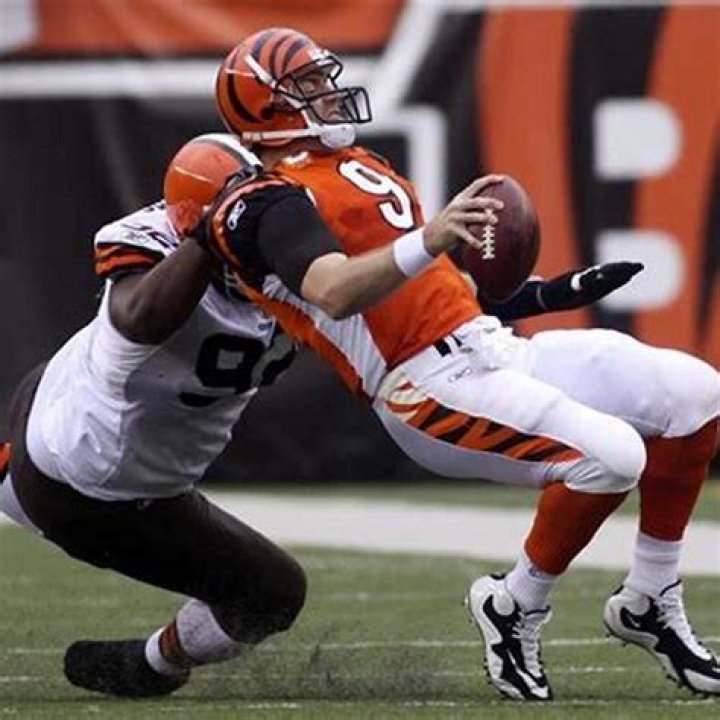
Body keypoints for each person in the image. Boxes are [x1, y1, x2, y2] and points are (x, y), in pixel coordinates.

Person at [208, 27, 720, 701]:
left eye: (323, 78)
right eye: (307, 85)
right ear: (265, 107)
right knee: (613, 457)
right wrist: (429, 238)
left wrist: (547, 294)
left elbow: (439, 289)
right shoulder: (268, 202)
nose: (329, 92)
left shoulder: (354, 163)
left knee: (694, 394)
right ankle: (515, 604)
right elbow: (333, 290)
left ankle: (650, 596)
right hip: (423, 387)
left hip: (490, 349)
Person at [0, 133, 499, 698]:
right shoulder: (154, 242)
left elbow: (371, 296)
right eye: (254, 214)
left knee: (274, 595)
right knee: (271, 593)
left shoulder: (299, 269)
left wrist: (516, 294)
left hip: (71, 418)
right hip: (94, 485)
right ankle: (154, 666)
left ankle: (16, 484)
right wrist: (210, 240)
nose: (275, 229)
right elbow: (139, 317)